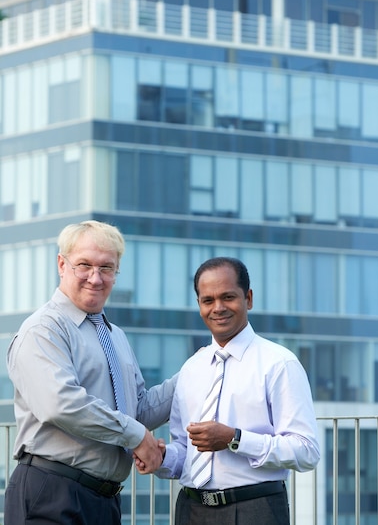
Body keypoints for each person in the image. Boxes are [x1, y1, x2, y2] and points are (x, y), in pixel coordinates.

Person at [5, 220, 176, 525]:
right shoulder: (44, 329)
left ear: (117, 271)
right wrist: (136, 436)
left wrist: (199, 370)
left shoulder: (115, 337)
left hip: (104, 501)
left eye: (106, 268)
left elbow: (136, 410)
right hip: (52, 491)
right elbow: (61, 405)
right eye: (84, 265)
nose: (95, 278)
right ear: (62, 264)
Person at [135, 256, 320, 525]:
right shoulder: (191, 368)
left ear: (249, 298)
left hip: (254, 510)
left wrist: (235, 439)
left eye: (228, 297)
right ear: (199, 305)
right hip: (191, 509)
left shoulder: (279, 364)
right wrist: (162, 457)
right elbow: (186, 451)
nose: (218, 308)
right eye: (208, 300)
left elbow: (306, 451)